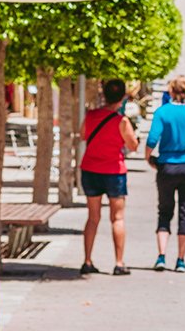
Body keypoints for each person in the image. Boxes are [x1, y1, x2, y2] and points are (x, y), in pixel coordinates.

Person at [79, 79, 139, 276]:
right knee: (117, 217)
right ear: (122, 98)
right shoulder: (122, 121)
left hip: (90, 169)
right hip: (114, 172)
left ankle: (87, 261)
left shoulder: (91, 116)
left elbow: (82, 135)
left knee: (92, 217)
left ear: (104, 95)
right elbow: (133, 145)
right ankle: (119, 263)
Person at [145, 75, 185, 273]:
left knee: (164, 211)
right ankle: (180, 260)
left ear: (170, 91)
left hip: (167, 166)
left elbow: (152, 139)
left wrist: (148, 157)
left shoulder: (163, 112)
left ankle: (161, 256)